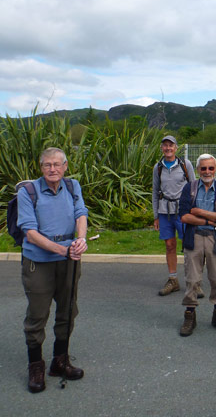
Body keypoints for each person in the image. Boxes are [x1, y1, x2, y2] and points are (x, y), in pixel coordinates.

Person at [17, 148, 89, 393]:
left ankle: (60, 360)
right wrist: (63, 250)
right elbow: (30, 231)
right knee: (37, 315)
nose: (52, 169)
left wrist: (81, 240)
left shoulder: (72, 186)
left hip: (69, 258)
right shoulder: (27, 191)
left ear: (65, 166)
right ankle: (36, 365)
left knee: (68, 310)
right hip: (39, 261)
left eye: (57, 164)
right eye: (47, 165)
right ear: (41, 167)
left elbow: (81, 214)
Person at [178, 154, 216, 336]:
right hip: (193, 238)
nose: (207, 172)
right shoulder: (190, 188)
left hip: (215, 239)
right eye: (203, 168)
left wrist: (199, 212)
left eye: (210, 168)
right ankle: (190, 314)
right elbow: (184, 216)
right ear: (198, 169)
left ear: (215, 169)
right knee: (192, 280)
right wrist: (210, 220)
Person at [152, 135, 197, 297]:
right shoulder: (158, 167)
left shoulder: (185, 165)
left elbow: (194, 187)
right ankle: (173, 280)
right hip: (165, 212)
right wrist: (156, 215)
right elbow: (155, 192)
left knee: (189, 246)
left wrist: (193, 211)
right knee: (169, 245)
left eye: (171, 145)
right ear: (162, 148)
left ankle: (194, 282)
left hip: (183, 211)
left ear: (176, 148)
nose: (168, 148)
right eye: (165, 145)